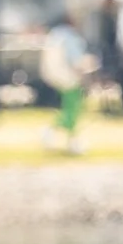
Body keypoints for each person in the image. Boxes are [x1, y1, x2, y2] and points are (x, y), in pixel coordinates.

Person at [40, 10, 94, 154]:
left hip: (53, 75)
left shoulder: (54, 35)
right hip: (68, 76)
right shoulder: (70, 36)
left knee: (69, 107)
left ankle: (69, 138)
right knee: (74, 108)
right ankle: (65, 137)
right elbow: (76, 59)